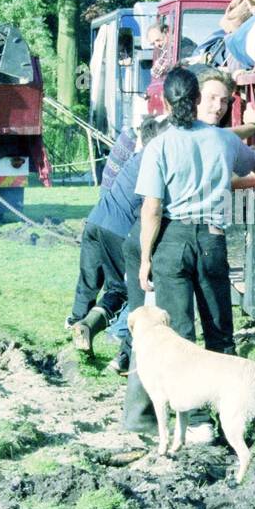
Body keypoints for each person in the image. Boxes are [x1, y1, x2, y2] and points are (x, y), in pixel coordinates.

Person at [121, 68, 255, 434]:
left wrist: (146, 259)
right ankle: (231, 410)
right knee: (220, 330)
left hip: (172, 242)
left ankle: (194, 423)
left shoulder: (159, 145)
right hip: (212, 240)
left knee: (179, 335)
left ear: (166, 102)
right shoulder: (221, 139)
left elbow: (152, 208)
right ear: (196, 100)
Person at [68, 115, 168, 370]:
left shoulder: (137, 156)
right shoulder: (157, 160)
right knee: (122, 291)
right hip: (119, 230)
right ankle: (120, 354)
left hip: (96, 220)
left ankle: (76, 323)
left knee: (89, 280)